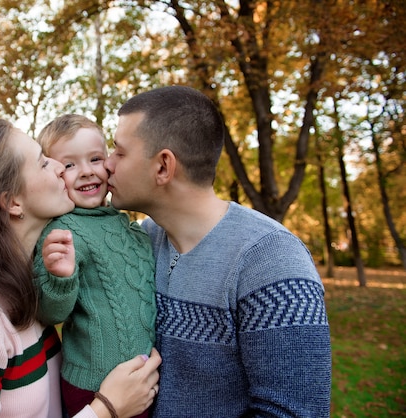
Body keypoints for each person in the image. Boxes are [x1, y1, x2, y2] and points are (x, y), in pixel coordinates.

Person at [0, 118, 161, 418]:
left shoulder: (24, 282)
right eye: (42, 162)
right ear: (12, 202)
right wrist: (106, 409)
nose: (60, 167)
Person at [104, 86, 332, 417]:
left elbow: (294, 411)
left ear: (163, 167)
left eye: (119, 153)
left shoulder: (273, 261)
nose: (106, 165)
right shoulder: (142, 241)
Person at [33, 114, 157, 418]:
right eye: (70, 165)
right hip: (92, 387)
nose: (87, 172)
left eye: (95, 159)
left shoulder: (128, 225)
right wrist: (59, 277)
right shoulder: (62, 231)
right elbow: (50, 313)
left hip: (143, 381)